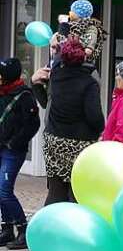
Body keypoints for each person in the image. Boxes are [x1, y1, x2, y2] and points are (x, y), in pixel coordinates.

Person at [31, 38, 104, 206]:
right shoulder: (89, 83)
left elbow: (45, 101)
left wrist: (35, 84)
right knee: (77, 191)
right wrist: (100, 129)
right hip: (80, 144)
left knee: (56, 190)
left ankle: (49, 227)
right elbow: (95, 118)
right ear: (83, 57)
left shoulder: (56, 77)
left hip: (54, 140)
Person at [0, 58, 39, 250]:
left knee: (4, 190)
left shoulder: (24, 95)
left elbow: (33, 124)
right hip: (1, 147)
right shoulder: (2, 92)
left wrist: (14, 142)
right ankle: (7, 229)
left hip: (13, 151)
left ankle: (23, 229)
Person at [55, 0, 107, 69]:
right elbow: (61, 42)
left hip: (80, 66)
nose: (70, 13)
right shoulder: (72, 26)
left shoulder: (91, 28)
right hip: (69, 64)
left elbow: (88, 50)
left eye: (73, 11)